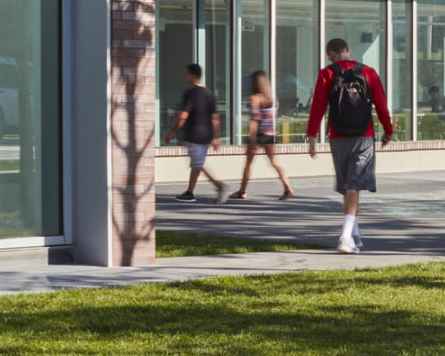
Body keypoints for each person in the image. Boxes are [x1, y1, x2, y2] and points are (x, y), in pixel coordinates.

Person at [305, 38, 394, 253]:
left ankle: (355, 235)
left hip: (338, 136)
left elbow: (318, 104)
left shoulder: (327, 73)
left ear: (331, 54)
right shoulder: (369, 72)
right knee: (353, 185)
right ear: (348, 51)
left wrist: (311, 135)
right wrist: (388, 130)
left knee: (349, 185)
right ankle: (345, 237)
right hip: (364, 136)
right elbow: (381, 104)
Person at [162, 63, 228, 203]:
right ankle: (189, 192)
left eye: (187, 74)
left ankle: (220, 186)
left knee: (197, 165)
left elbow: (182, 116)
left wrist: (171, 132)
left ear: (192, 75)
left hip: (194, 134)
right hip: (206, 135)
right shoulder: (209, 94)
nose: (186, 76)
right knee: (196, 164)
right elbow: (215, 118)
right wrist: (216, 137)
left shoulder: (190, 93)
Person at [228, 70, 295, 201]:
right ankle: (287, 187)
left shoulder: (255, 98)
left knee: (248, 163)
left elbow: (254, 119)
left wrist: (252, 137)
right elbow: (273, 117)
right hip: (271, 133)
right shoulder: (272, 97)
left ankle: (242, 191)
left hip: (259, 133)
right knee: (274, 162)